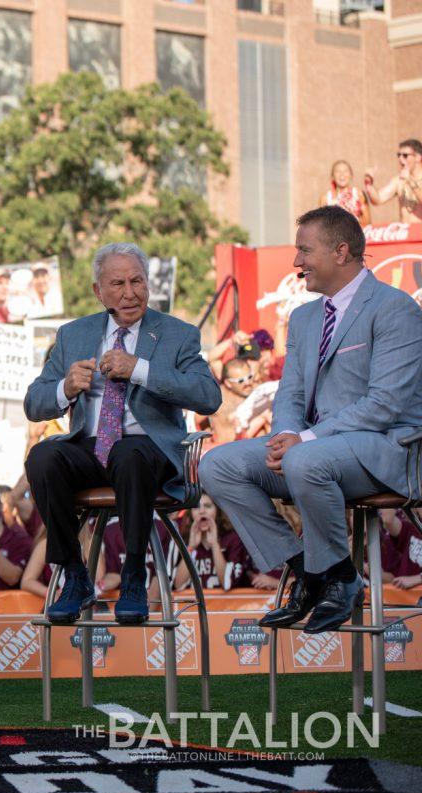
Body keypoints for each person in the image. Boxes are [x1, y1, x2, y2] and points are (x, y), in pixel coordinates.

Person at [201, 206, 422, 632]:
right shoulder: (303, 318)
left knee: (305, 459)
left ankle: (337, 578)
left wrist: (305, 439)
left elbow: (386, 405)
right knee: (216, 464)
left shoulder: (396, 309)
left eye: (305, 249)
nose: (297, 262)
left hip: (385, 453)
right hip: (315, 455)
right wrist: (286, 434)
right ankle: (315, 573)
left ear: (341, 251)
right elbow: (291, 395)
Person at [23, 241, 220, 625]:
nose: (129, 293)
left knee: (129, 454)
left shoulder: (177, 334)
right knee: (43, 457)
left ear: (148, 284)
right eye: (118, 284)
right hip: (90, 447)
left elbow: (209, 396)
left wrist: (140, 369)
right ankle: (74, 573)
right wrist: (65, 388)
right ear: (99, 292)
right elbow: (33, 403)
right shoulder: (73, 335)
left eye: (137, 281)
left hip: (149, 451)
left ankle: (133, 575)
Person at [198, 357, 259, 446]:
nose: (247, 383)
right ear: (228, 383)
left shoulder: (259, 392)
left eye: (249, 377)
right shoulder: (216, 397)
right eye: (241, 380)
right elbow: (194, 420)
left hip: (250, 450)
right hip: (222, 449)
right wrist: (204, 433)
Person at [364, 139, 422, 224]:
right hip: (406, 233)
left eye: (405, 155)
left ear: (418, 157)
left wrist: (410, 181)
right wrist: (369, 184)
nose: (400, 159)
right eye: (399, 155)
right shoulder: (399, 180)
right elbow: (378, 199)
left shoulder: (407, 179)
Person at [320, 160, 371, 226]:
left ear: (351, 175)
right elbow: (322, 225)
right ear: (332, 176)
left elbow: (367, 222)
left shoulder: (358, 194)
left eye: (345, 171)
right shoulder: (325, 198)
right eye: (338, 171)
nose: (342, 174)